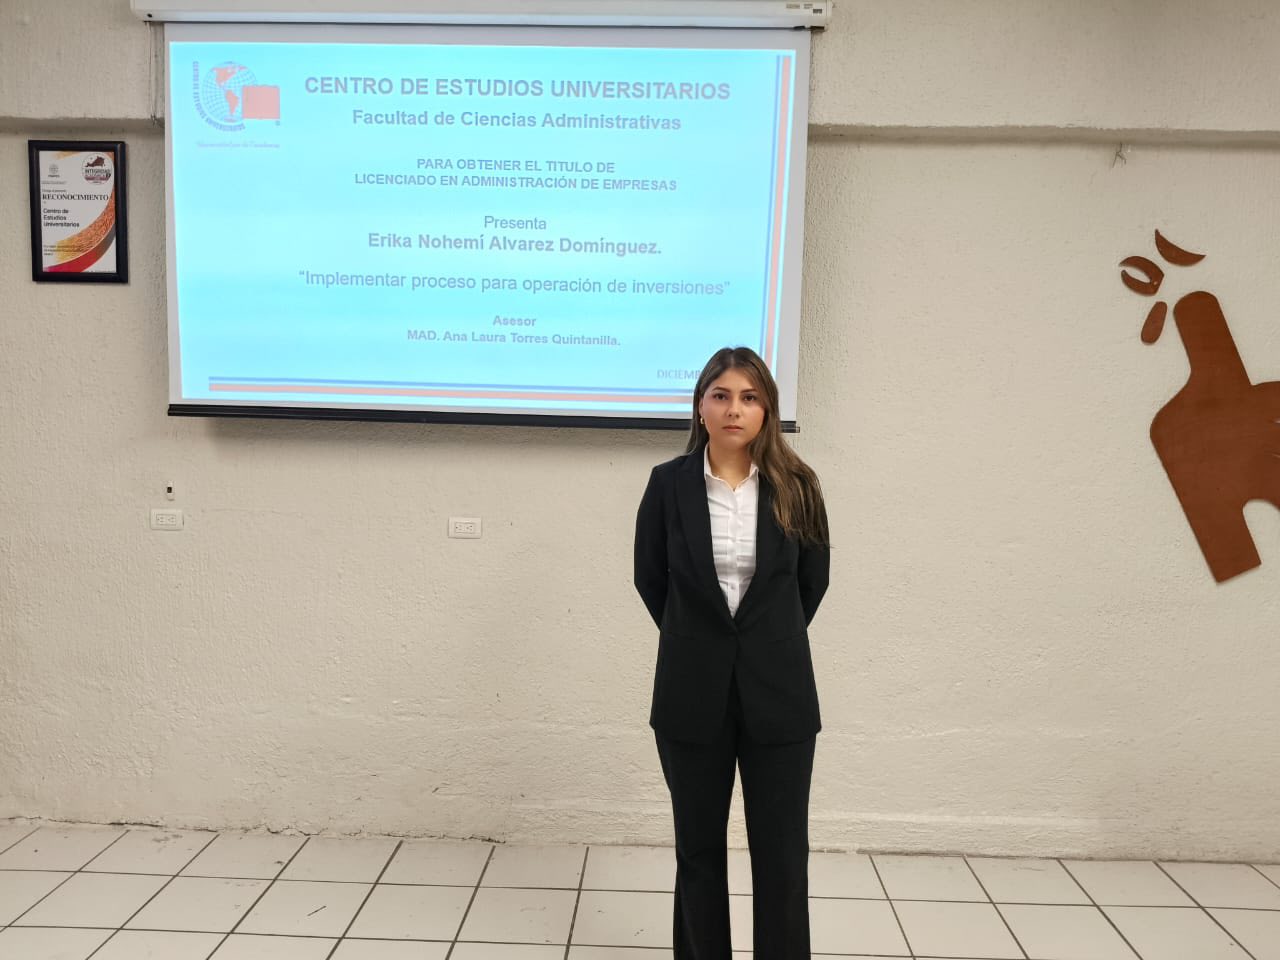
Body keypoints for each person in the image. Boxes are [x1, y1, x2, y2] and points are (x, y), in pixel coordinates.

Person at [633, 346, 831, 959]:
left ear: (767, 409)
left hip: (780, 693)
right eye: (720, 396)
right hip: (691, 693)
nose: (733, 410)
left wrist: (764, 642)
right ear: (700, 407)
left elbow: (812, 582)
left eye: (749, 397)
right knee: (697, 850)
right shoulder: (668, 485)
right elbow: (650, 578)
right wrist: (701, 640)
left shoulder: (798, 485)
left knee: (783, 854)